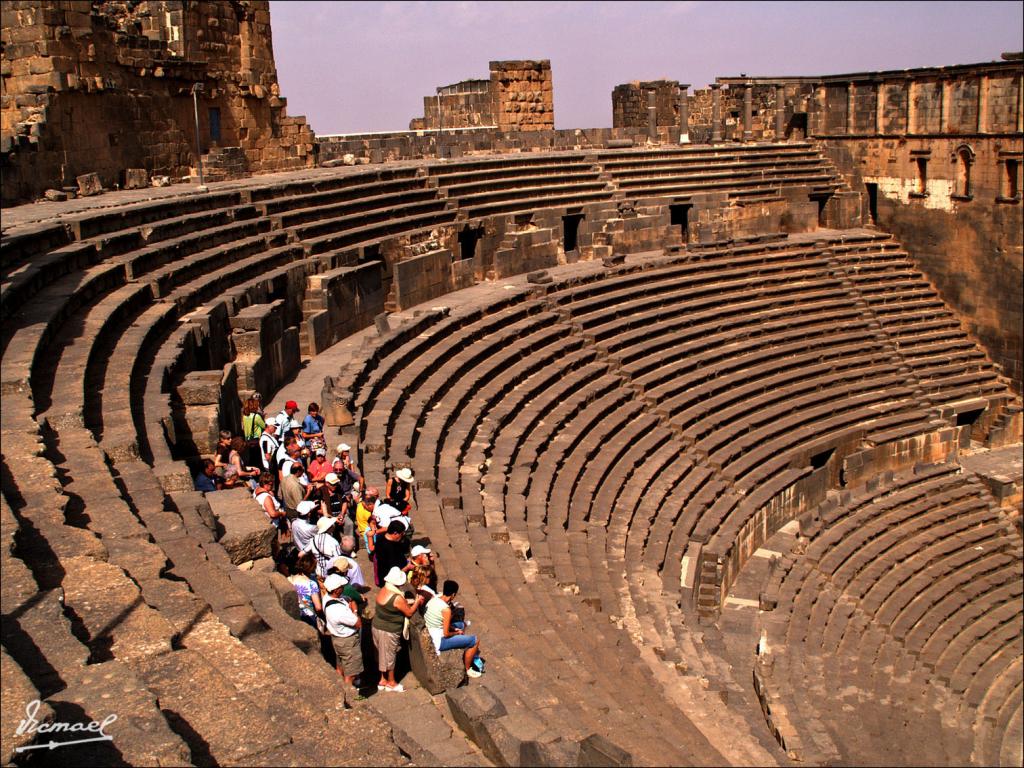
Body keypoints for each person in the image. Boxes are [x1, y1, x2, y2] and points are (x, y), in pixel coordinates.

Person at [373, 567, 424, 693]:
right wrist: (417, 602)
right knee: (390, 655)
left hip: (377, 626)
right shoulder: (396, 597)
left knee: (381, 654)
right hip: (389, 630)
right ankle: (391, 682)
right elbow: (409, 612)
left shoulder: (384, 589)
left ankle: (382, 679)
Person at [424, 580, 482, 677]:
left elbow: (439, 621)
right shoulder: (446, 610)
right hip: (439, 640)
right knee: (475, 640)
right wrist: (456, 633)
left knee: (462, 625)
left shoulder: (433, 599)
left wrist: (455, 629)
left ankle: (465, 646)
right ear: (453, 594)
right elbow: (446, 634)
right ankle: (468, 669)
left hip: (432, 630)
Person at [323, 573, 363, 691]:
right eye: (341, 587)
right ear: (336, 590)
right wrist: (354, 610)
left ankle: (339, 690)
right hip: (348, 642)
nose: (343, 588)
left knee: (340, 667)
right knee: (351, 674)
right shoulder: (339, 610)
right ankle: (348, 695)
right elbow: (358, 623)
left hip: (337, 639)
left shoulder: (326, 598)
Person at [289, 552, 322, 632]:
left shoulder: (289, 579)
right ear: (312, 568)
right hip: (308, 615)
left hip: (294, 614)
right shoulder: (311, 584)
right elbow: (318, 607)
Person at [373, 520, 410, 587]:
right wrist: (407, 567)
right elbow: (391, 570)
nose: (402, 536)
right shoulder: (386, 548)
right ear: (395, 533)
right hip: (392, 580)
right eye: (401, 534)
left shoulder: (381, 537)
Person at [253, 471, 289, 539]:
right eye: (272, 484)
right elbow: (273, 514)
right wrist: (282, 513)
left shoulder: (256, 490)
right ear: (267, 484)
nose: (273, 486)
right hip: (272, 525)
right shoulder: (266, 497)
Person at [241, 397, 266, 467]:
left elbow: (243, 427)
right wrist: (263, 418)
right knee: (257, 458)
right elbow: (264, 426)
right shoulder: (256, 416)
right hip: (256, 439)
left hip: (248, 439)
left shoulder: (244, 416)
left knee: (251, 457)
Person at [356, 487, 378, 552]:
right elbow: (373, 523)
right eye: (376, 496)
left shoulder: (360, 504)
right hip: (368, 531)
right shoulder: (368, 509)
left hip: (363, 529)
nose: (378, 497)